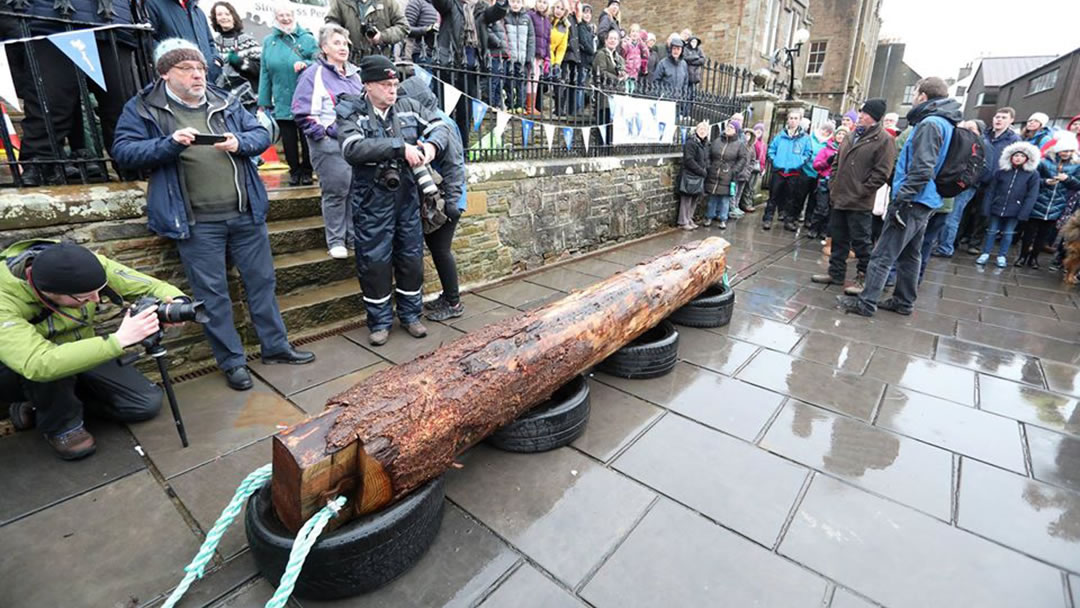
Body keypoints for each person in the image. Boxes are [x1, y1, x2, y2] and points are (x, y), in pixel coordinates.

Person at [112, 39, 315, 391]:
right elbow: (124, 152)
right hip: (194, 221)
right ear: (164, 74)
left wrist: (240, 142)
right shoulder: (144, 107)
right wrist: (170, 143)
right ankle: (233, 362)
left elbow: (259, 133)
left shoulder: (225, 99)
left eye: (201, 69)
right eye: (187, 69)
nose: (197, 75)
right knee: (212, 295)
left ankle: (276, 347)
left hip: (245, 213)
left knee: (262, 284)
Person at [0, 241, 190, 459]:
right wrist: (120, 340)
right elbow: (38, 361)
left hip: (85, 348)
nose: (96, 300)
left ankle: (47, 407)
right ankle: (61, 426)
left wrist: (175, 303)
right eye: (84, 297)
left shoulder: (86, 266)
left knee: (146, 404)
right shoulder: (4, 299)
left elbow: (150, 285)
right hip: (32, 366)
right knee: (50, 376)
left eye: (98, 291)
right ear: (47, 291)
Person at [335, 55, 451, 346]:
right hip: (371, 199)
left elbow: (440, 125)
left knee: (411, 257)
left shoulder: (409, 107)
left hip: (407, 196)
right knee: (374, 262)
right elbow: (352, 148)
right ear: (368, 85)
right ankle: (379, 322)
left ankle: (411, 316)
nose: (392, 90)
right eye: (386, 84)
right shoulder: (351, 110)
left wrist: (432, 145)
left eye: (395, 83)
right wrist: (399, 147)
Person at [837, 77, 960, 317]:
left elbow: (923, 168)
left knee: (882, 254)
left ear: (923, 96)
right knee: (910, 254)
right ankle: (904, 301)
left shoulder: (930, 123)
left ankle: (866, 302)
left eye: (915, 93)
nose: (913, 98)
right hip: (926, 199)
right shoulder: (944, 121)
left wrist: (902, 198)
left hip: (913, 200)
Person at [10, 0, 141, 185]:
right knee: (51, 104)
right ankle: (42, 164)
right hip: (53, 23)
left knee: (120, 106)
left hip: (112, 23)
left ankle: (132, 162)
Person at [398, 75, 469, 322]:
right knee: (439, 249)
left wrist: (452, 201)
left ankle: (454, 303)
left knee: (441, 250)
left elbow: (454, 165)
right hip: (447, 197)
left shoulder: (442, 125)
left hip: (449, 199)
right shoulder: (435, 118)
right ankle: (449, 295)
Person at [292, 24, 366, 260]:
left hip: (355, 142)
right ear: (324, 48)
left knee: (355, 190)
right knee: (336, 192)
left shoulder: (355, 75)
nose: (343, 47)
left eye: (345, 43)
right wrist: (322, 134)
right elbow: (301, 111)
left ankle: (354, 238)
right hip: (329, 144)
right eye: (337, 43)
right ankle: (335, 239)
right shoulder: (313, 73)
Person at [812, 99, 895, 294]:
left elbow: (882, 173)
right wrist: (833, 185)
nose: (860, 116)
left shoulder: (884, 140)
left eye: (864, 113)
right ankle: (836, 273)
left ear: (874, 117)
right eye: (861, 112)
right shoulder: (850, 136)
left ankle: (863, 277)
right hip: (840, 197)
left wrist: (861, 191)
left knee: (861, 242)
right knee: (838, 238)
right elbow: (836, 163)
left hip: (860, 202)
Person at [937, 106, 1019, 257]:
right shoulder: (986, 135)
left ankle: (973, 244)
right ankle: (955, 241)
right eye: (997, 117)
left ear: (1011, 120)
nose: (999, 120)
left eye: (1003, 117)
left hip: (992, 182)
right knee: (963, 214)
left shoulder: (1013, 140)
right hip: (973, 180)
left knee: (982, 215)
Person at [258, 6, 319, 186]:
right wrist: (263, 101)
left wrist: (306, 63)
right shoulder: (269, 42)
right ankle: (294, 171)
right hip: (281, 98)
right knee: (288, 139)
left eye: (288, 15)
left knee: (306, 137)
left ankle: (308, 170)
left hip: (305, 98)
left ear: (294, 16)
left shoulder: (307, 39)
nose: (285, 18)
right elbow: (265, 72)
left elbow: (319, 61)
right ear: (275, 18)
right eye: (281, 15)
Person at [1018, 133, 1080, 268]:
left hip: (1058, 204)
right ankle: (1022, 256)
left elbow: (1077, 185)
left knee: (1043, 235)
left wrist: (1068, 179)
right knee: (1029, 232)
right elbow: (1032, 180)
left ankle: (1034, 258)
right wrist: (1045, 182)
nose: (1067, 153)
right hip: (1038, 201)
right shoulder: (1044, 162)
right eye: (1064, 150)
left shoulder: (1076, 165)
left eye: (1070, 150)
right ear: (1058, 149)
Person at [974, 142, 1041, 268]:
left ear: (1027, 159)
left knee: (1008, 233)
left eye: (1022, 156)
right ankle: (985, 253)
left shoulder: (1032, 175)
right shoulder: (1001, 172)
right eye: (1016, 155)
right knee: (991, 231)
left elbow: (1032, 195)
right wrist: (987, 206)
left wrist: (1024, 212)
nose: (1018, 158)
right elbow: (991, 191)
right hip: (997, 206)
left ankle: (1002, 255)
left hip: (1015, 209)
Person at [145, 0, 222, 83]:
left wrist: (215, 60)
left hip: (208, 78)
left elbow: (210, 41)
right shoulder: (153, 4)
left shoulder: (198, 11)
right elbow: (147, 40)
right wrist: (172, 62)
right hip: (180, 80)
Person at [763, 108, 813, 231]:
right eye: (791, 118)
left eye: (796, 118)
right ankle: (768, 219)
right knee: (773, 197)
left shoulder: (805, 138)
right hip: (779, 172)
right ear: (787, 120)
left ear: (800, 120)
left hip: (794, 173)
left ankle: (789, 221)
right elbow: (771, 150)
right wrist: (775, 160)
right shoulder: (780, 136)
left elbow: (808, 153)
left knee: (791, 198)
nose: (793, 121)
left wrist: (799, 162)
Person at [703, 120, 750, 230]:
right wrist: (709, 166)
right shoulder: (717, 141)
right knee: (712, 198)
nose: (728, 129)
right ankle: (709, 217)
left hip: (728, 174)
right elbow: (708, 154)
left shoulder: (739, 144)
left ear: (736, 131)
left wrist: (734, 171)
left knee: (724, 199)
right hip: (714, 172)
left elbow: (742, 159)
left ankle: (723, 219)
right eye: (728, 127)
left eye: (732, 127)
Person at [325, 0, 409, 60]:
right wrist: (342, 37)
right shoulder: (341, 2)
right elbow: (331, 23)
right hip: (350, 60)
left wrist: (382, 36)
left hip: (380, 59)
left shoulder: (388, 2)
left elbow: (404, 27)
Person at [210, 1, 261, 98]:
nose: (224, 17)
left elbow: (261, 69)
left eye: (227, 14)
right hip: (223, 98)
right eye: (219, 14)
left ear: (233, 16)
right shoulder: (213, 44)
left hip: (249, 99)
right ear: (215, 19)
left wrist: (240, 63)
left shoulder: (248, 40)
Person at [808, 125, 848, 239]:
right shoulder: (826, 149)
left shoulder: (848, 152)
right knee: (821, 207)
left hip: (839, 184)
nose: (841, 136)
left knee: (832, 210)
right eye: (839, 133)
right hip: (825, 181)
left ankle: (825, 231)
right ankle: (814, 228)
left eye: (844, 134)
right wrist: (827, 161)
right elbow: (816, 165)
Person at [796, 120, 834, 230]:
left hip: (819, 175)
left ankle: (808, 219)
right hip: (806, 170)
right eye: (824, 129)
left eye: (828, 131)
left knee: (813, 200)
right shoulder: (810, 138)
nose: (825, 132)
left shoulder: (830, 144)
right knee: (800, 196)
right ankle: (796, 215)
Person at [505, 0, 536, 113]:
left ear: (522, 4)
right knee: (509, 82)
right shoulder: (505, 17)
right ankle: (510, 105)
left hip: (522, 57)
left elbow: (531, 39)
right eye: (513, 1)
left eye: (518, 2)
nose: (515, 4)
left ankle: (521, 105)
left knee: (521, 82)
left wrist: (530, 56)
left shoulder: (527, 18)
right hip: (510, 57)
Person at [677, 121, 709, 230]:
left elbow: (706, 159)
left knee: (695, 198)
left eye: (705, 129)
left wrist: (705, 169)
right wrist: (701, 171)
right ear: (696, 130)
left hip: (699, 175)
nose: (703, 131)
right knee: (686, 198)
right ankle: (683, 221)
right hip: (690, 175)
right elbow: (689, 160)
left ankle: (689, 218)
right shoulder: (691, 143)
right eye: (701, 129)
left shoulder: (704, 144)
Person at [549, 0, 574, 114]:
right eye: (557, 7)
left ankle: (559, 110)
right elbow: (545, 42)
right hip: (544, 54)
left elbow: (561, 47)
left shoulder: (565, 26)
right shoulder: (547, 20)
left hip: (554, 56)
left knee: (558, 80)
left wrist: (557, 63)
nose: (559, 11)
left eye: (562, 9)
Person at [527, 0, 552, 114]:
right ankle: (528, 106)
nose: (542, 4)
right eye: (540, 1)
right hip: (532, 52)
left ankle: (533, 105)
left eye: (545, 2)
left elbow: (548, 40)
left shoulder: (547, 20)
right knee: (529, 79)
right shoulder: (530, 15)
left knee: (535, 80)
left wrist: (547, 57)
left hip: (540, 55)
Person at [576, 4, 597, 113]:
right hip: (583, 61)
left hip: (589, 62)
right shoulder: (581, 27)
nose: (587, 15)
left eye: (589, 13)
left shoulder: (590, 29)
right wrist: (593, 52)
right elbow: (584, 42)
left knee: (585, 86)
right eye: (585, 12)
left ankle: (581, 108)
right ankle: (578, 109)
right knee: (580, 86)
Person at [620, 23, 646, 93]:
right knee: (626, 89)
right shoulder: (627, 43)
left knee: (632, 89)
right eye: (633, 31)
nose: (635, 33)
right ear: (630, 33)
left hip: (635, 72)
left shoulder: (639, 45)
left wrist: (641, 42)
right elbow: (623, 55)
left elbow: (646, 53)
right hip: (627, 71)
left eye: (637, 32)